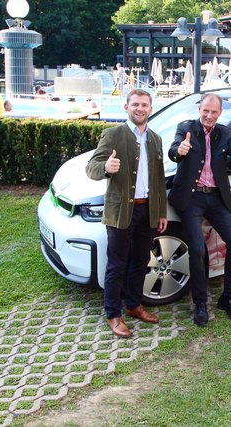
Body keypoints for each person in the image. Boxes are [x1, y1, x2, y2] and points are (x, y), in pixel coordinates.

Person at [85, 89, 168, 338]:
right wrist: (106, 168)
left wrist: (161, 211)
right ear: (126, 107)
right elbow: (91, 168)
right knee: (116, 264)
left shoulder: (155, 139)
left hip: (148, 210)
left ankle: (133, 306)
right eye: (135, 104)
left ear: (150, 109)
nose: (140, 108)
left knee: (140, 261)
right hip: (122, 211)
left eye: (144, 105)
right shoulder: (113, 135)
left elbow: (159, 179)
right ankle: (113, 314)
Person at [168, 93, 231, 326]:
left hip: (216, 198)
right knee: (197, 250)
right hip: (191, 198)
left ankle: (228, 298)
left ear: (219, 113)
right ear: (199, 109)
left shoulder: (225, 133)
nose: (209, 115)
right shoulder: (185, 128)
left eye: (214, 112)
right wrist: (180, 150)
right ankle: (200, 303)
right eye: (206, 110)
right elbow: (174, 151)